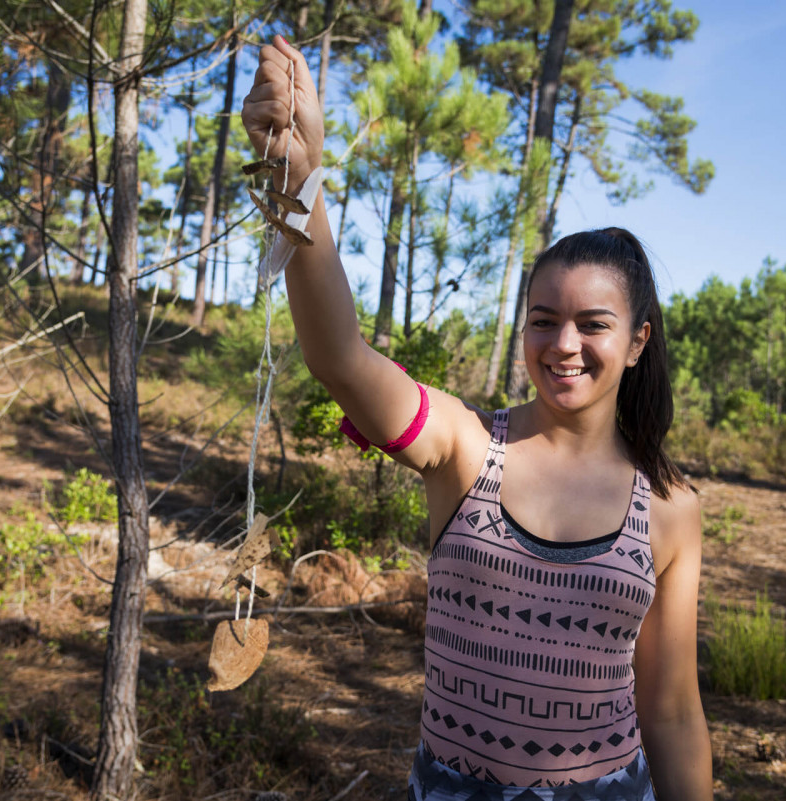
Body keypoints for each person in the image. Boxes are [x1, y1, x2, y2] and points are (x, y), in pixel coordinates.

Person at [242, 37, 712, 801]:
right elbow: (340, 357)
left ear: (637, 341)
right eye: (542, 320)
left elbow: (674, 713)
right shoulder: (465, 447)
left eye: (593, 323)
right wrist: (302, 181)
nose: (564, 344)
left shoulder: (670, 506)